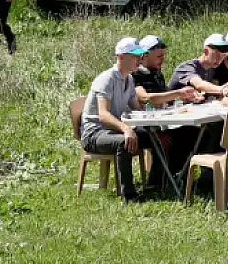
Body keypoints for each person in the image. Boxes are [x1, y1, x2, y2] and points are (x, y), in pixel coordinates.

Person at [80, 37, 197, 200]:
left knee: (159, 138)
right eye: (135, 56)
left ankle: (155, 186)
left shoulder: (128, 79)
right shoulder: (106, 79)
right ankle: (129, 195)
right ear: (121, 57)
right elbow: (103, 115)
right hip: (95, 133)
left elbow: (138, 109)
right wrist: (126, 129)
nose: (139, 59)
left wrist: (157, 123)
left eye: (140, 55)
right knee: (124, 142)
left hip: (114, 130)